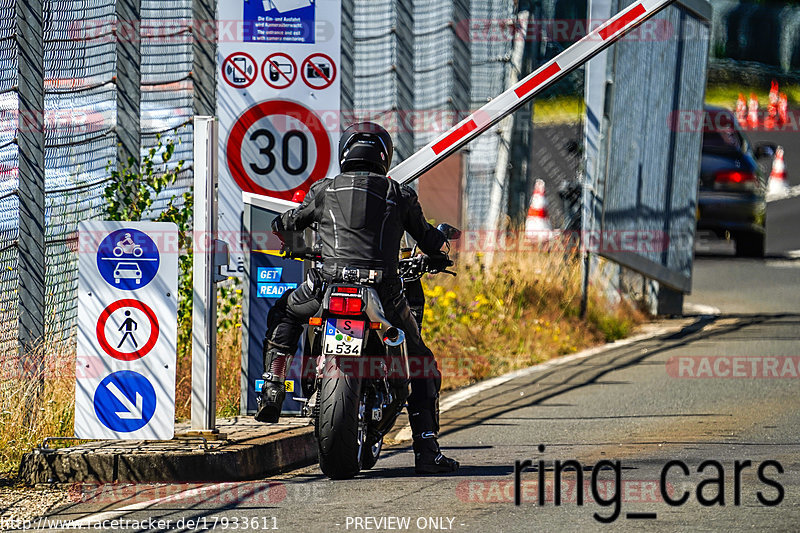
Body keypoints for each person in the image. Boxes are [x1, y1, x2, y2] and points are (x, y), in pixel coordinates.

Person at [255, 122, 459, 474]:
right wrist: (439, 253)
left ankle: (273, 386)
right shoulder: (399, 193)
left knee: (285, 313)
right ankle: (427, 450)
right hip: (384, 290)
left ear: (345, 152)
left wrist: (288, 238)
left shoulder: (323, 189)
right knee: (422, 361)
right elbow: (427, 239)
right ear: (384, 155)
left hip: (326, 285)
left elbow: (288, 222)